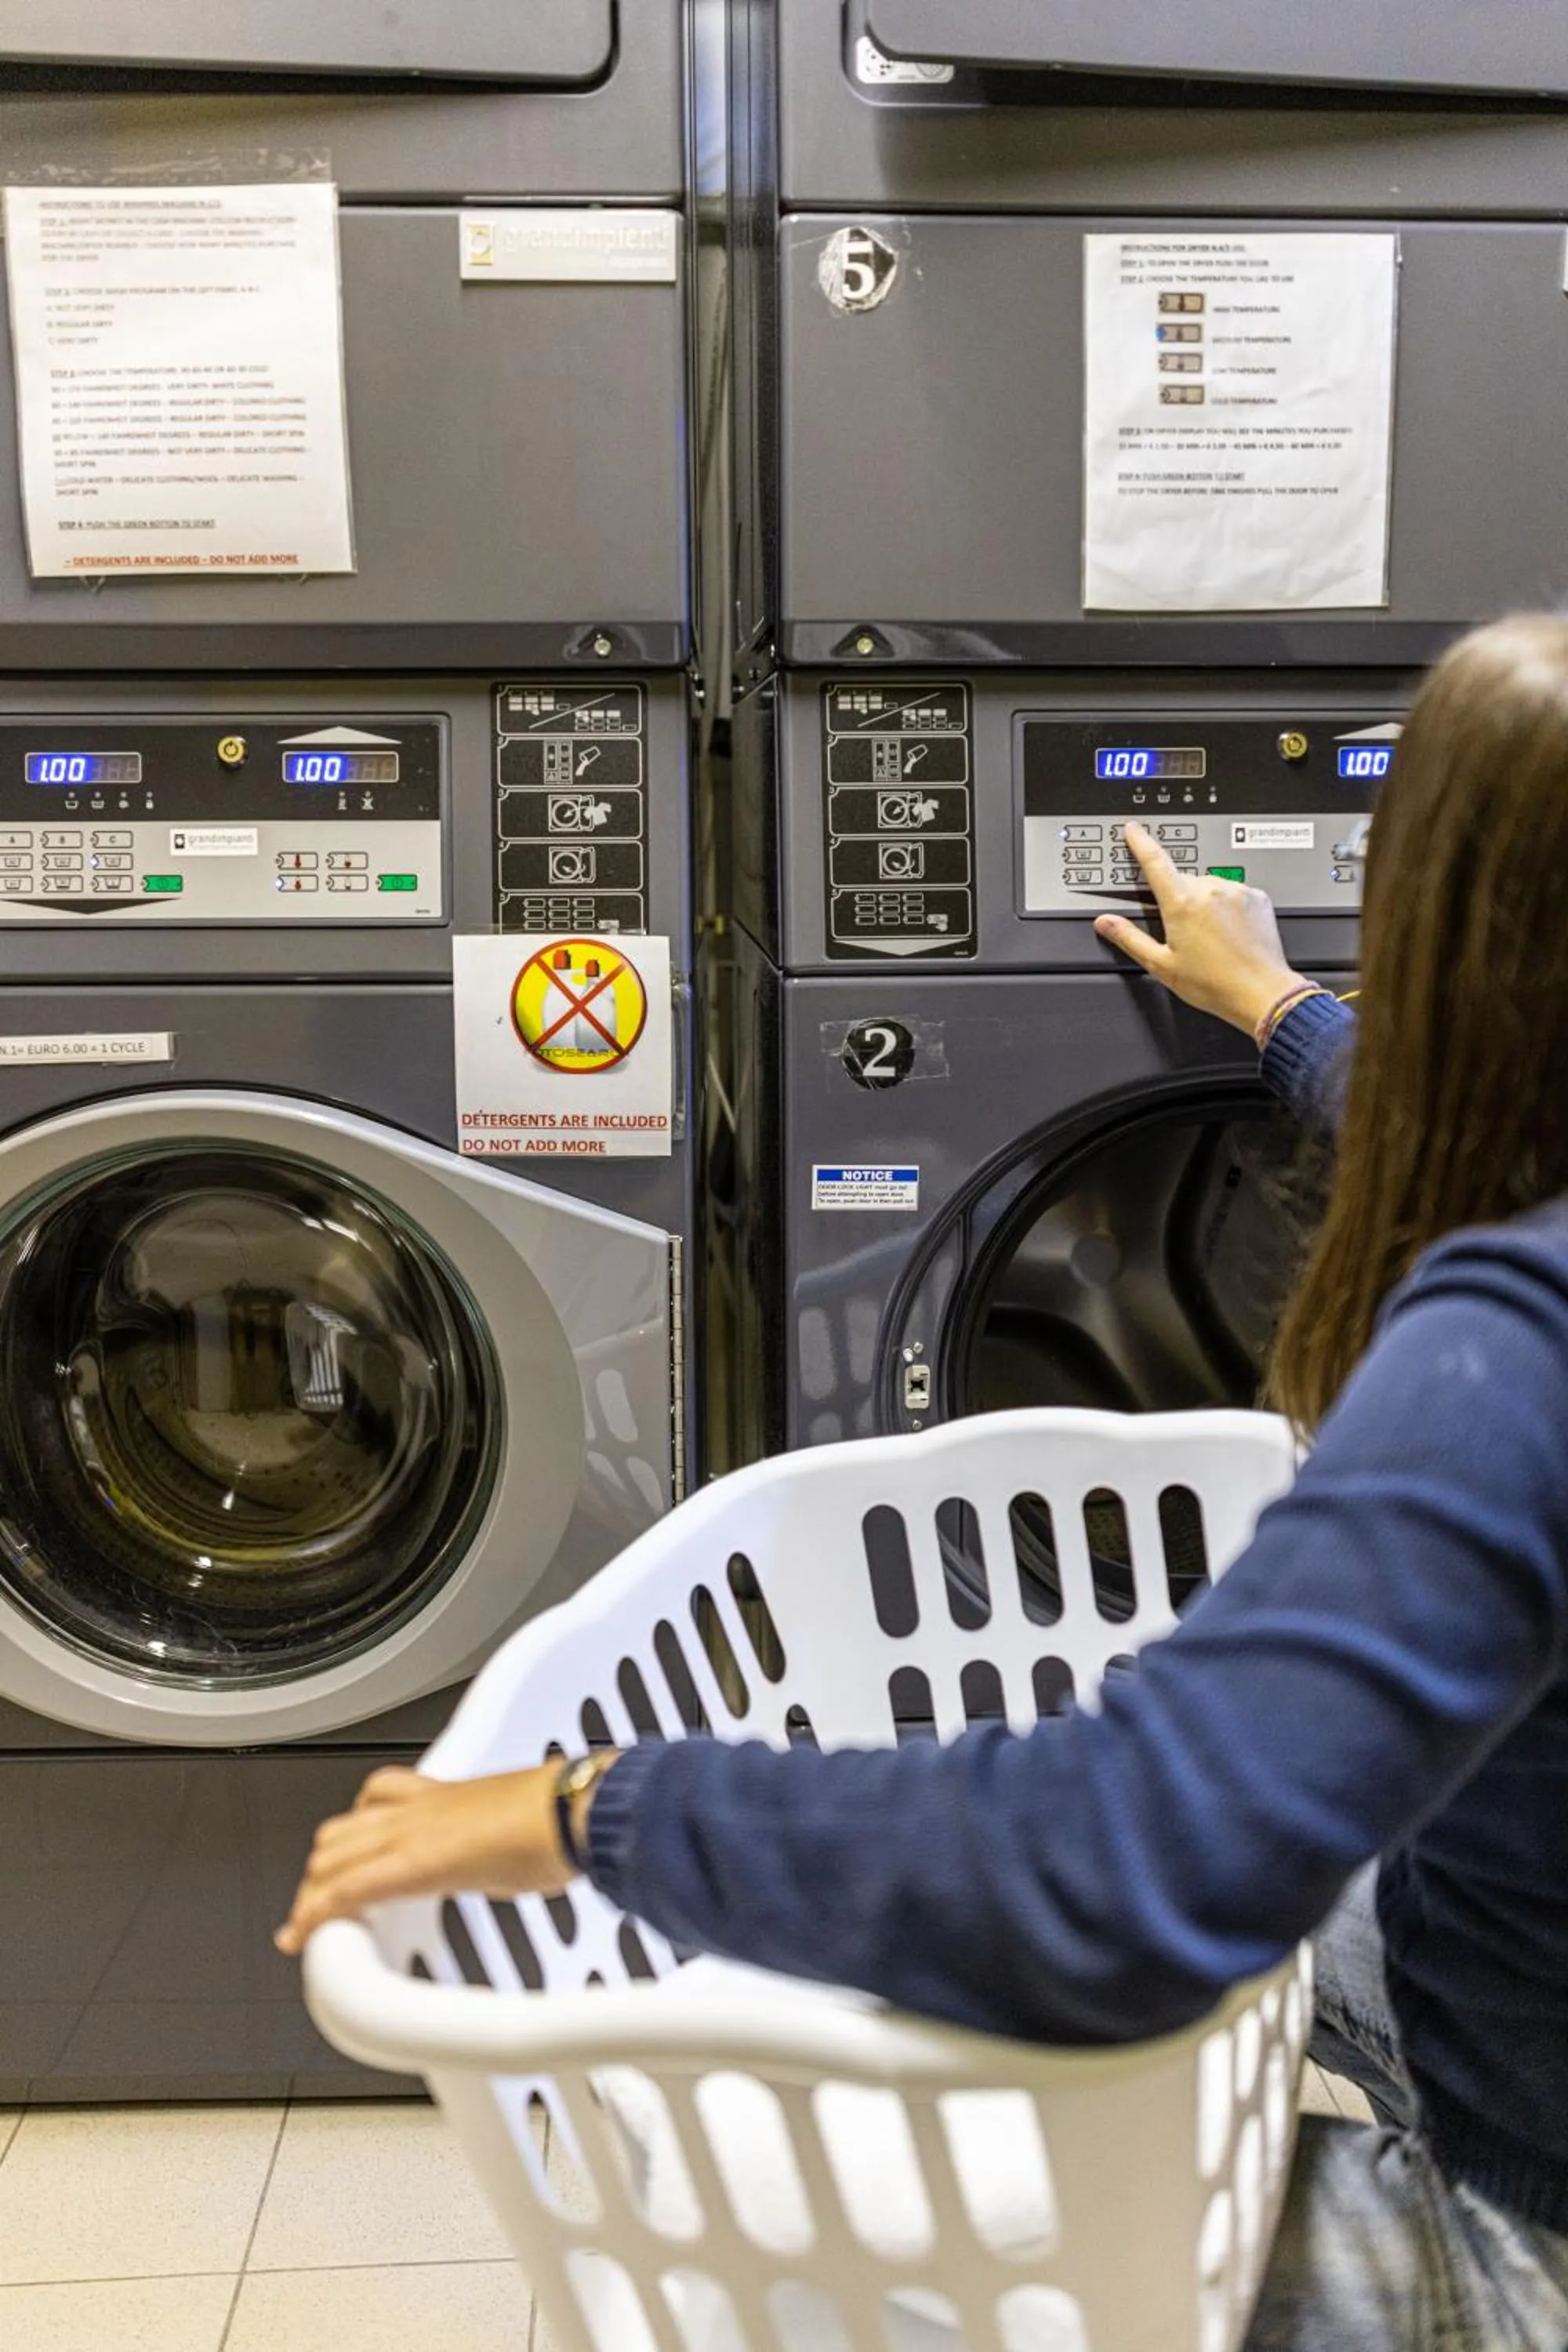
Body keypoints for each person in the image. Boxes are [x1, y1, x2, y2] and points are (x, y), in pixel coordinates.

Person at [281, 615, 1568, 2348]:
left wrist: (598, 1808)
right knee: (1333, 1846)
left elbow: (1115, 1869)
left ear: (1460, 951)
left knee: (931, 2274)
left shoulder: (1508, 1350)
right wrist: (1275, 1009)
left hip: (1537, 2243)